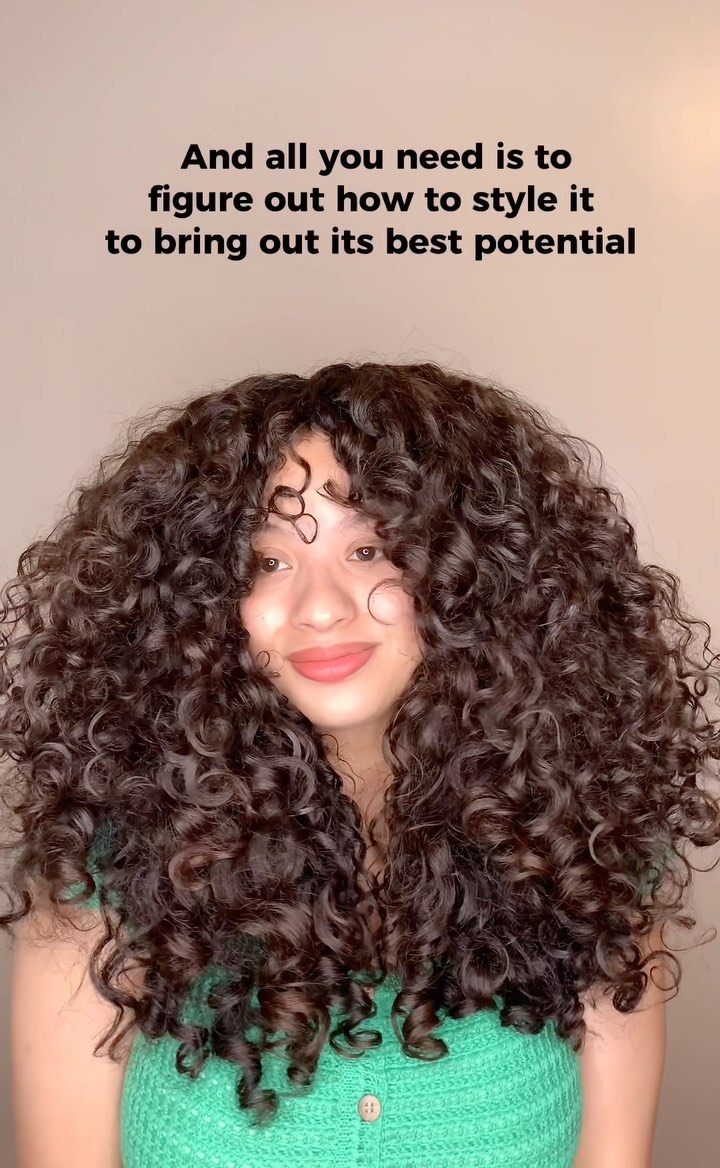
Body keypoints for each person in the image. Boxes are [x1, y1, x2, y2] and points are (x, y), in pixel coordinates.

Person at [2, 359, 718, 1168]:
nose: (320, 606)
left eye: (371, 548)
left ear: (475, 576)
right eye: (267, 562)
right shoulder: (99, 877)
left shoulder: (591, 863)